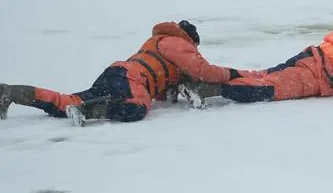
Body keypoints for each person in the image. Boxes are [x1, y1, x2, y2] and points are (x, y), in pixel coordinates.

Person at [0, 20, 244, 126]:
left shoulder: (156, 41)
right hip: (131, 78)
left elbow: (160, 86)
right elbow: (204, 71)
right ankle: (88, 111)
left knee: (68, 100)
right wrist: (230, 73)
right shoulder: (178, 43)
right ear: (191, 38)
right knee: (137, 108)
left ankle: (12, 92)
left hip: (117, 72)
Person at [179, 12, 333, 108]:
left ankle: (204, 77)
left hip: (311, 56)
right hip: (319, 75)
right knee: (269, 88)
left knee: (262, 75)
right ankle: (208, 88)